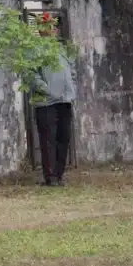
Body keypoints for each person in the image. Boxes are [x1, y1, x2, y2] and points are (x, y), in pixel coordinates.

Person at [31, 13, 76, 186]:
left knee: (63, 137)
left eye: (52, 25)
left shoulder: (62, 48)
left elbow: (72, 71)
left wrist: (73, 89)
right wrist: (46, 89)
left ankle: (60, 173)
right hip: (46, 102)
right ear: (40, 29)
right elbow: (31, 74)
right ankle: (51, 177)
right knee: (48, 139)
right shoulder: (34, 49)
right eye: (47, 25)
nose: (52, 29)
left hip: (65, 100)